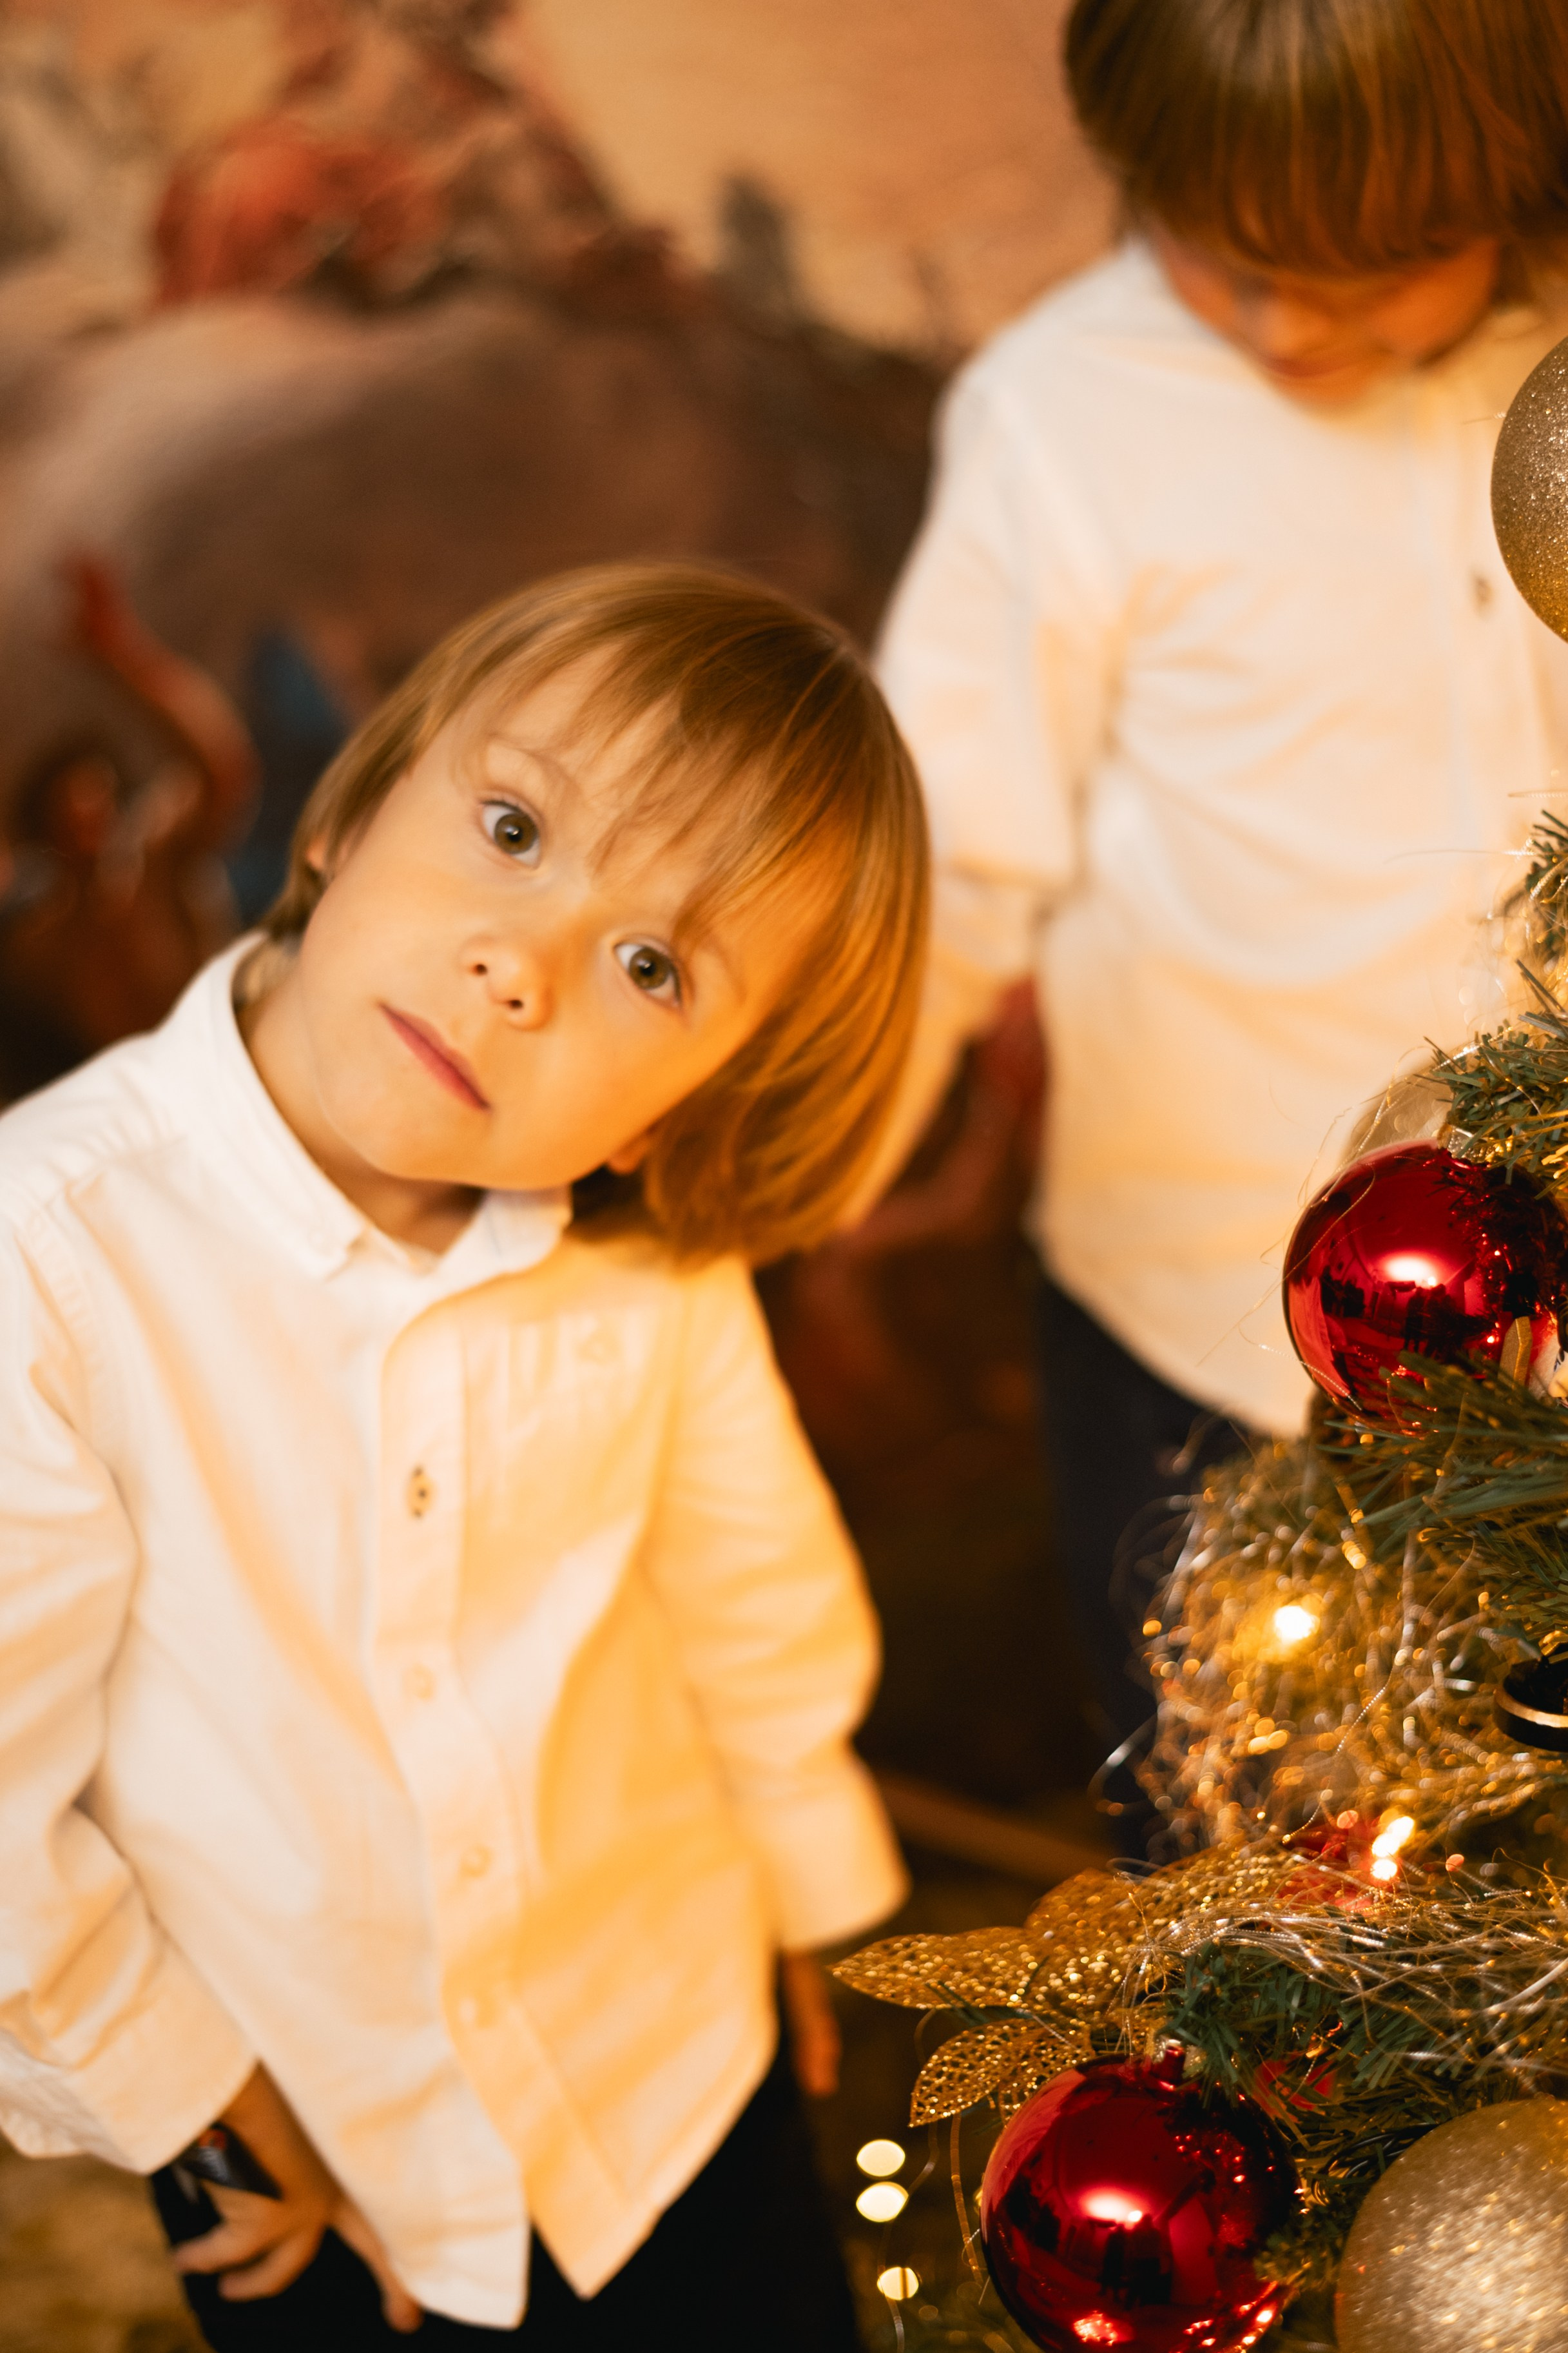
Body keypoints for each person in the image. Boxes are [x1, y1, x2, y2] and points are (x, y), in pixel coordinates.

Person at [0, 563, 927, 2347]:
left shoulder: (646, 1255)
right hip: (316, 2142)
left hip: (669, 2041)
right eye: (510, 825)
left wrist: (810, 1882)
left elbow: (752, 1583)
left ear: (698, 1096)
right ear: (350, 811)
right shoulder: (52, 1255)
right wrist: (187, 2098)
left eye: (651, 967)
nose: (523, 965)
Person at [871, 0, 1568, 1784]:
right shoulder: (1064, 419)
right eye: (1225, 262)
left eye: (1372, 271)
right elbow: (943, 851)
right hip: (1201, 1321)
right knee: (1236, 1830)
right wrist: (800, 1150)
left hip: (1543, 1338)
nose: (1286, 326)